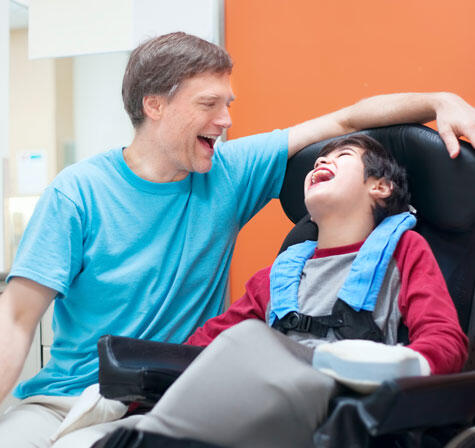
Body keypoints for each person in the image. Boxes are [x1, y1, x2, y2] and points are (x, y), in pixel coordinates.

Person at [0, 31, 473, 447]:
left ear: (381, 187)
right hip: (64, 396)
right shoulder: (76, 193)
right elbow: (16, 321)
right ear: (155, 104)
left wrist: (439, 101)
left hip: (159, 396)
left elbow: (348, 120)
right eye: (209, 104)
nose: (226, 120)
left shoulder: (231, 171)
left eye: (228, 104)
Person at [128, 134, 468, 448]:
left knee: (247, 340)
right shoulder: (279, 276)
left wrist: (392, 370)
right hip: (263, 404)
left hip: (340, 405)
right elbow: (208, 342)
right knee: (230, 348)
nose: (320, 163)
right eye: (318, 160)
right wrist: (141, 378)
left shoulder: (404, 250)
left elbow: (445, 341)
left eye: (342, 155)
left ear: (380, 186)